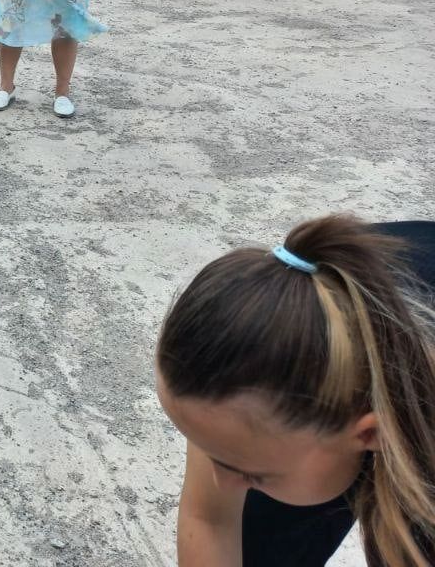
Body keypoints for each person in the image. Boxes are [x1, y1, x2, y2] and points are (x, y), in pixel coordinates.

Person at [156, 215, 435, 567]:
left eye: (248, 471)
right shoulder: (259, 364)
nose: (220, 484)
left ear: (373, 432)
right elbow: (211, 520)